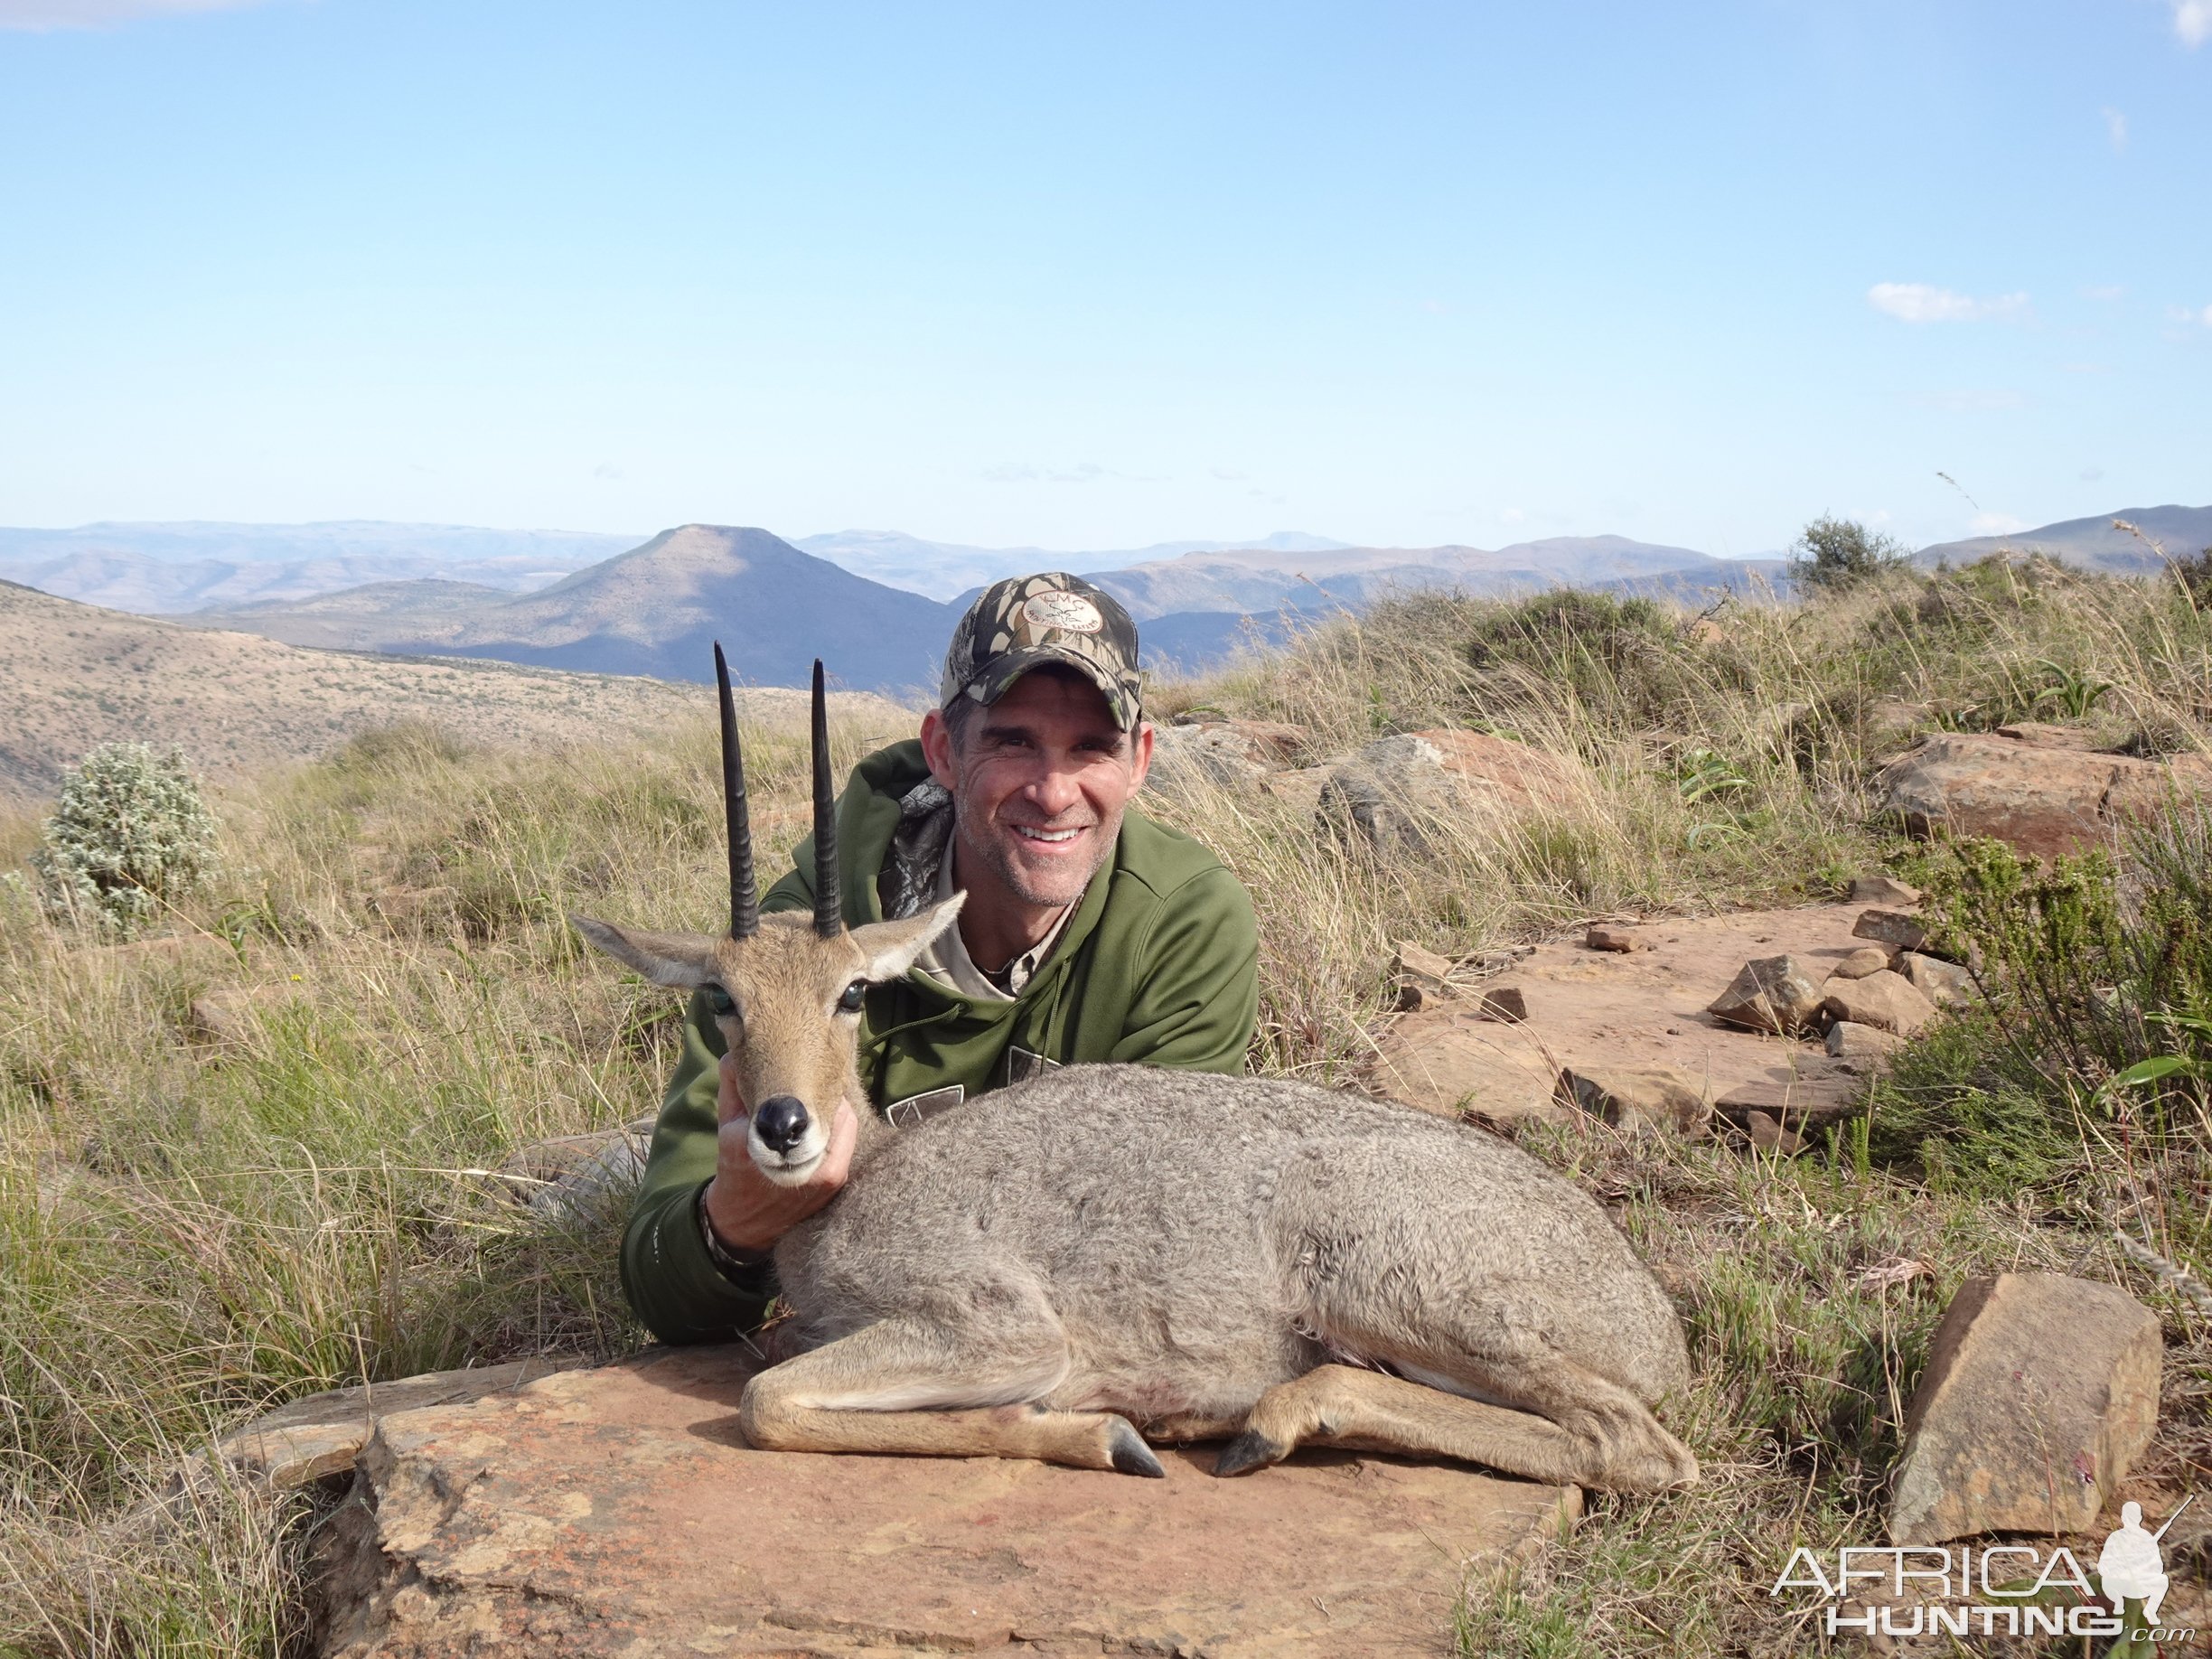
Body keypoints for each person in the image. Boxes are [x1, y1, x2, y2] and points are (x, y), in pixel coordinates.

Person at [620, 572, 1262, 1344]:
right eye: (1012, 742)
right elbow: (662, 1283)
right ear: (943, 752)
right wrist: (732, 1226)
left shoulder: (1185, 923)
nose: (1054, 793)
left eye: (1091, 747)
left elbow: (1172, 1220)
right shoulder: (780, 955)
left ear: (1140, 760)